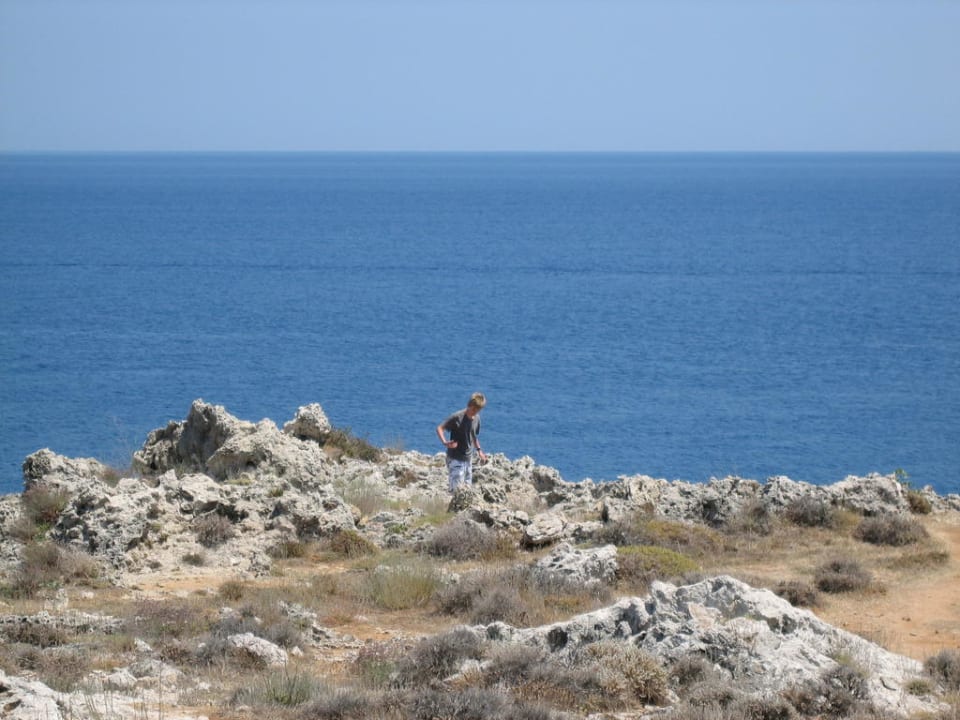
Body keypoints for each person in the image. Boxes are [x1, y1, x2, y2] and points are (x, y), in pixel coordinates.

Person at [436, 392, 487, 492]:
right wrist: (445, 442)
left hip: (468, 459)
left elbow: (473, 436)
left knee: (467, 492)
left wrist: (479, 451)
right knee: (456, 491)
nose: (475, 412)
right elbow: (439, 428)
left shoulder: (477, 418)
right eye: (473, 409)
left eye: (478, 410)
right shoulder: (457, 417)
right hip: (455, 458)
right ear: (469, 405)